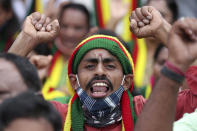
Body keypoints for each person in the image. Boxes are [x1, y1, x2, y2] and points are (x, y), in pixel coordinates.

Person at [9, 6, 194, 130]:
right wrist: (26, 40)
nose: (99, 71)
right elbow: (6, 106)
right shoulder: (56, 116)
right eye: (90, 65)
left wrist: (163, 29)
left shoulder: (147, 111)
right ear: (74, 80)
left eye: (110, 65)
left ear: (127, 80)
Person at [131, 17, 197, 131]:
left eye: (171, 64)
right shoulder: (136, 103)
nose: (100, 72)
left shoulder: (188, 102)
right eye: (162, 63)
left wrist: (162, 29)